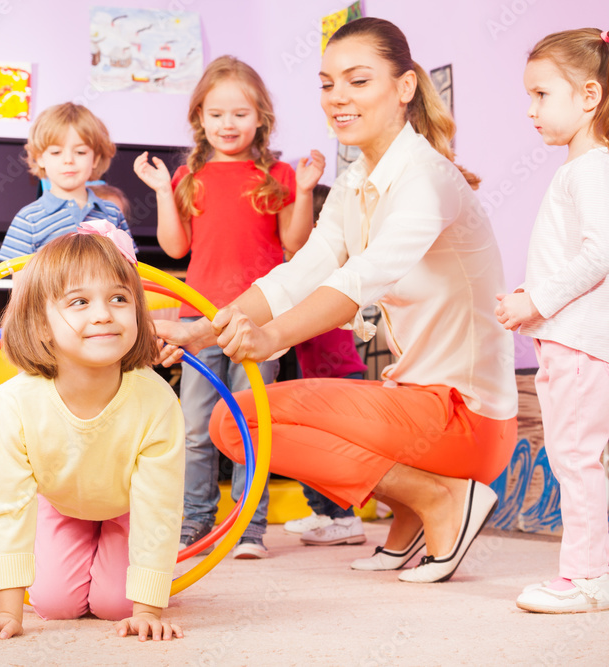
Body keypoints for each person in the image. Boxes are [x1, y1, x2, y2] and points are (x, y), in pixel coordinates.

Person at [156, 17, 518, 584]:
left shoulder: (426, 177)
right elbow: (300, 272)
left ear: (403, 88)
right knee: (234, 423)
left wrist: (271, 337)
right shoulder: (355, 181)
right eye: (327, 84)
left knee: (236, 424)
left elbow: (362, 280)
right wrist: (202, 331)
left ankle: (442, 497)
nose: (337, 98)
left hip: (465, 417)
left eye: (357, 81)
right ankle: (411, 513)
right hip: (417, 401)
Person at [133, 55, 325, 559]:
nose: (228, 124)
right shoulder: (189, 175)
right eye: (216, 114)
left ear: (260, 118)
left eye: (240, 114)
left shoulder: (277, 172)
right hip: (198, 319)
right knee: (195, 426)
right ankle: (196, 521)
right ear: (200, 118)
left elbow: (294, 241)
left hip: (258, 320)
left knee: (251, 424)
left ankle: (249, 528)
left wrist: (303, 193)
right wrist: (160, 191)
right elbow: (175, 248)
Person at [0, 230, 185, 642]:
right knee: (54, 605)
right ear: (40, 325)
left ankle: (122, 563)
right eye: (79, 302)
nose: (103, 314)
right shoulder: (16, 400)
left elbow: (160, 505)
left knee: (117, 606)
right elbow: (8, 503)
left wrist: (148, 608)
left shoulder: (156, 399)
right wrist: (9, 611)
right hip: (63, 503)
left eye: (119, 299)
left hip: (127, 507)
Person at [495, 28, 609, 614]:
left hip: (577, 342)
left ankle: (587, 577)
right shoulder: (583, 168)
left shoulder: (589, 169)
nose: (531, 110)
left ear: (589, 96)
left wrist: (535, 301)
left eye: (542, 95)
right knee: (582, 456)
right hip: (573, 338)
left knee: (573, 456)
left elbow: (598, 253)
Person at [282, 184, 370, 548]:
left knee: (329, 452)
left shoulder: (330, 268)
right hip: (316, 374)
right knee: (308, 448)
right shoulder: (307, 268)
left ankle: (345, 520)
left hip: (339, 375)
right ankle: (322, 512)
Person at [0, 103, 131, 262]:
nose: (68, 160)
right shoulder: (28, 219)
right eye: (56, 152)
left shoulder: (113, 213)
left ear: (95, 159)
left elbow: (130, 270)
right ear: (40, 158)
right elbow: (20, 285)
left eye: (80, 152)